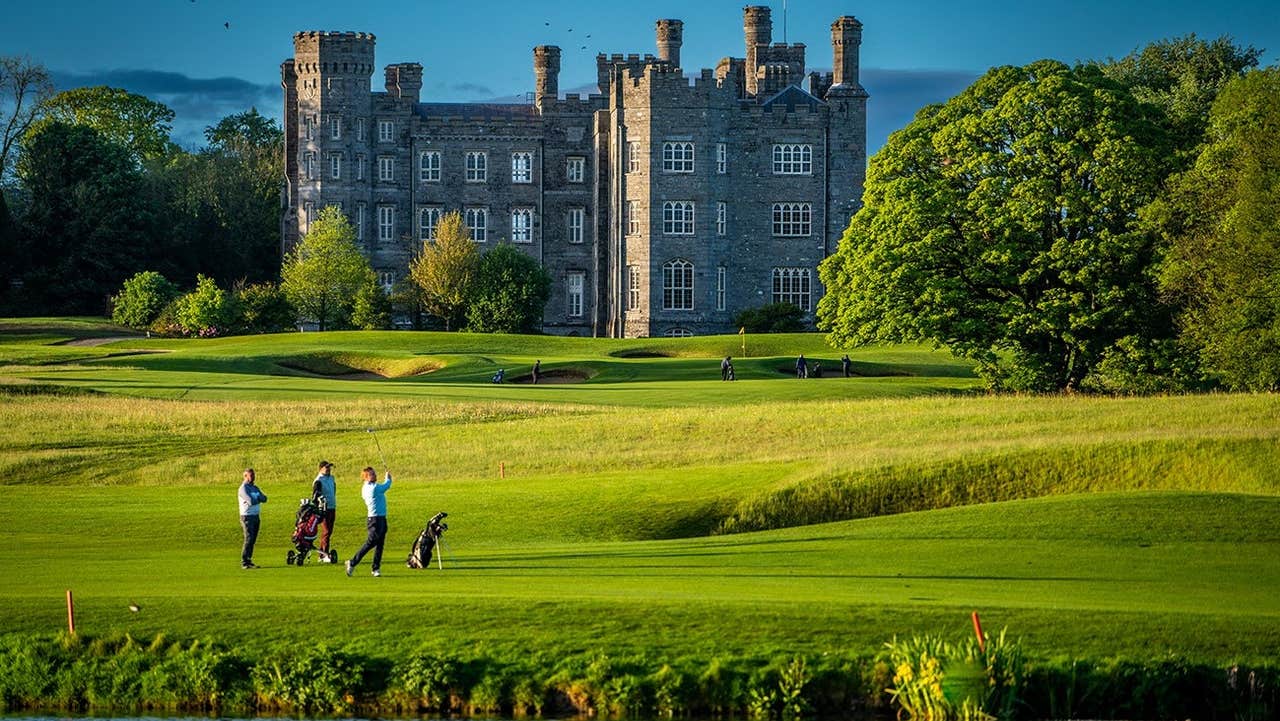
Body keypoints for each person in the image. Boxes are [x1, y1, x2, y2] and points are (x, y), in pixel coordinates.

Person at [346, 466, 392, 577]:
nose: (375, 475)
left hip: (381, 518)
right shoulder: (373, 488)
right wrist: (388, 478)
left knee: (380, 544)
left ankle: (376, 568)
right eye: (372, 474)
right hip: (374, 519)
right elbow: (386, 486)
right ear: (366, 477)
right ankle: (352, 562)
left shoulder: (369, 486)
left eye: (374, 473)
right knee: (371, 542)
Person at [237, 468, 267, 569]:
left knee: (253, 540)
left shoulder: (255, 488)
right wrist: (258, 498)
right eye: (251, 475)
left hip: (256, 516)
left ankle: (249, 560)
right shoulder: (243, 488)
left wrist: (257, 498)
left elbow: (265, 498)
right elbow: (251, 501)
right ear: (245, 476)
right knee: (249, 538)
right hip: (247, 517)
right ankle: (244, 562)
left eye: (254, 475)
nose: (253, 477)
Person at [311, 460, 337, 562]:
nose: (329, 469)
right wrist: (319, 507)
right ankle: (324, 555)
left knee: (329, 532)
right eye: (326, 468)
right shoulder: (318, 480)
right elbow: (315, 496)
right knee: (326, 531)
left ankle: (322, 554)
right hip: (324, 509)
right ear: (321, 469)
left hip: (332, 507)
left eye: (329, 467)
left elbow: (334, 490)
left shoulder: (331, 478)